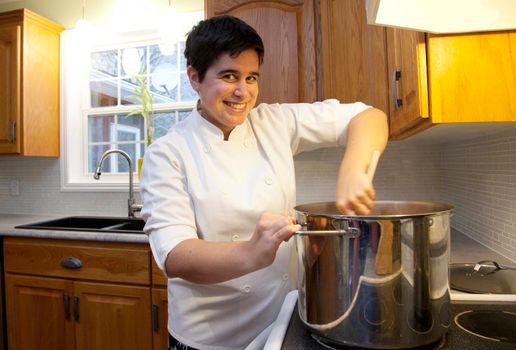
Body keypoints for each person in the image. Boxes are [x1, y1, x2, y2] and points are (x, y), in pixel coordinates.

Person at [140, 15, 388, 350]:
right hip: (210, 338)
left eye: (251, 77)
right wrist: (252, 252)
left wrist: (354, 170)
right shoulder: (168, 153)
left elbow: (368, 116)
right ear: (194, 77)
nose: (243, 91)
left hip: (282, 323)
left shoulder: (274, 122)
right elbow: (176, 255)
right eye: (229, 76)